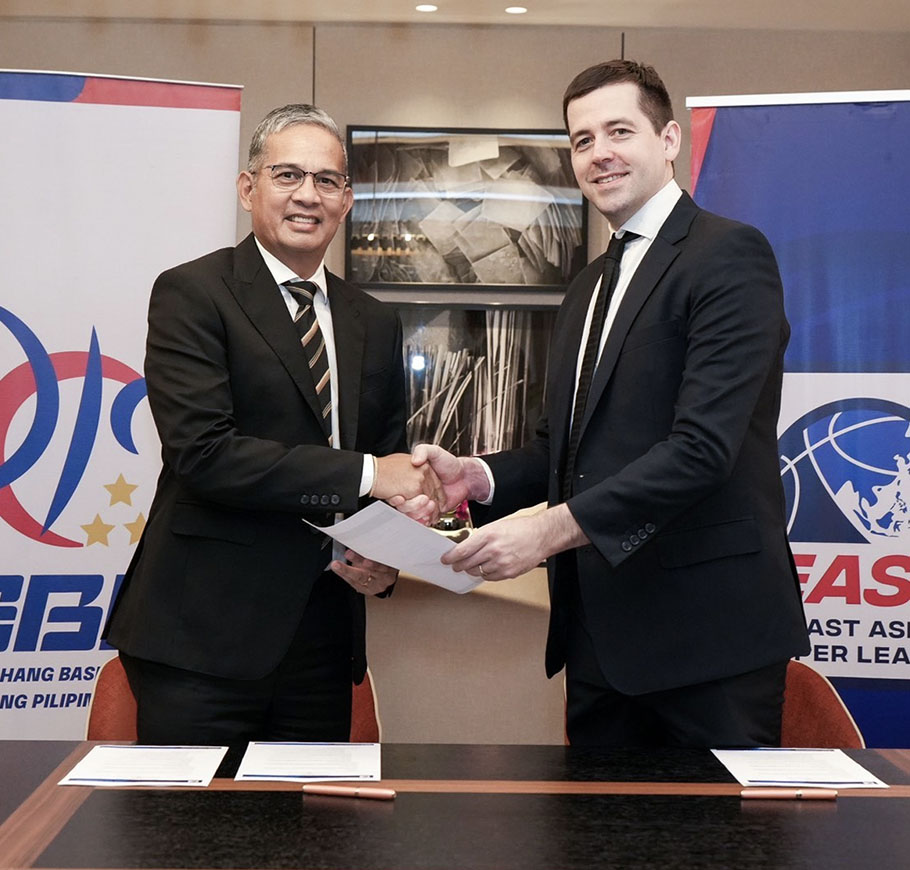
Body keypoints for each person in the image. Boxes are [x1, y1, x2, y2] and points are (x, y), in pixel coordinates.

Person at [398, 60, 810, 747]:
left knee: (713, 824)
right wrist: (479, 477)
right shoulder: (587, 287)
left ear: (669, 139)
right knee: (595, 818)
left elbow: (702, 451)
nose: (599, 154)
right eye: (582, 140)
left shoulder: (729, 255)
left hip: (709, 644)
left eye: (620, 131)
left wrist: (546, 532)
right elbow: (562, 450)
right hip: (599, 640)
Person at [105, 104, 442, 745]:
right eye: (288, 175)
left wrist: (385, 556)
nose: (307, 195)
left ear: (346, 200)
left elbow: (387, 460)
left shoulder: (373, 320)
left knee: (308, 812)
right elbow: (204, 453)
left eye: (327, 180)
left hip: (323, 635)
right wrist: (371, 474)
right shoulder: (193, 293)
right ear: (247, 188)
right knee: (193, 814)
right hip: (201, 637)